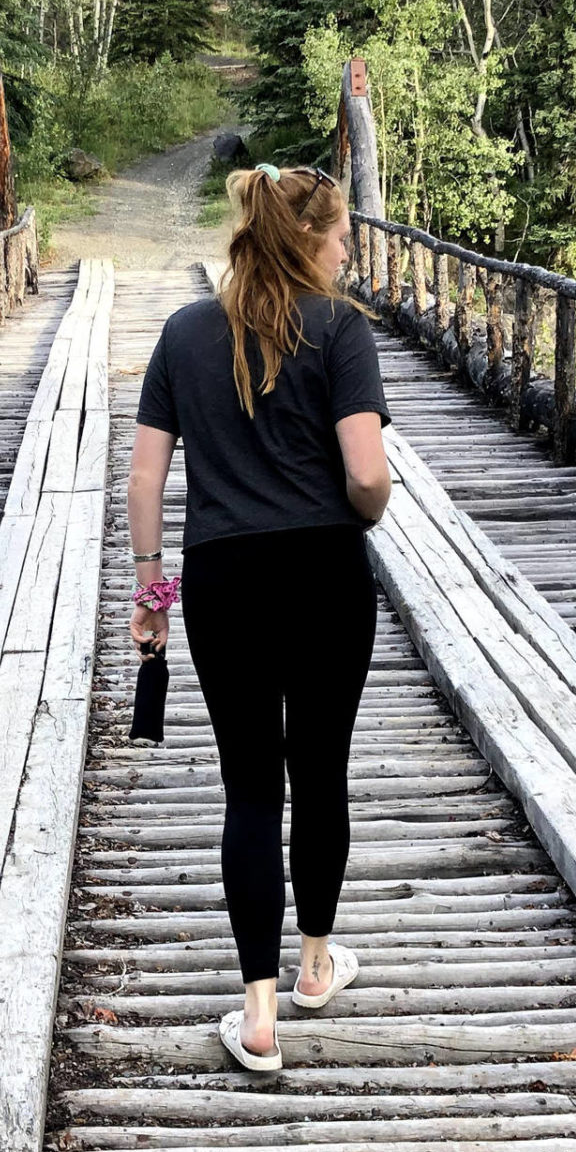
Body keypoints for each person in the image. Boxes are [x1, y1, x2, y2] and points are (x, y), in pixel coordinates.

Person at [126, 163, 391, 1074]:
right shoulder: (342, 329)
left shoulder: (186, 333)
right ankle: (317, 965)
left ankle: (260, 1018)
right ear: (309, 238)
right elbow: (365, 473)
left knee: (249, 787)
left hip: (225, 580)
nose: (349, 250)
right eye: (342, 236)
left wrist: (152, 596)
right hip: (325, 573)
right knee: (321, 773)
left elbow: (147, 481)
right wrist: (373, 504)